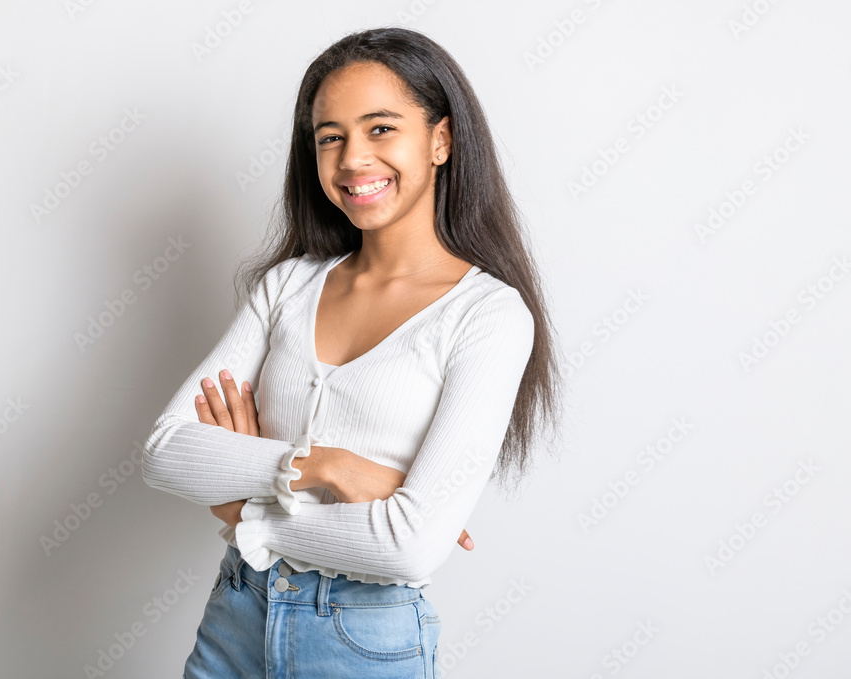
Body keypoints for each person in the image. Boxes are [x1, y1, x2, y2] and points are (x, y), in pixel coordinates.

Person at [141, 25, 563, 678]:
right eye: (329, 137)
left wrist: (242, 510)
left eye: (381, 128)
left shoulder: (488, 316)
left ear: (441, 140)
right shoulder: (286, 285)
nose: (352, 159)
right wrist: (321, 468)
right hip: (236, 615)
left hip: (363, 639)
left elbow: (410, 546)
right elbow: (166, 450)